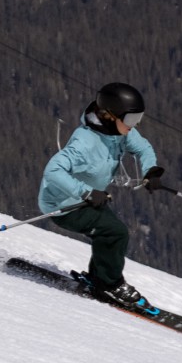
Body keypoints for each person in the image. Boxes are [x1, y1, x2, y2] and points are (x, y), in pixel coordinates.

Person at [39, 82, 164, 310]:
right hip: (63, 204)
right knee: (115, 232)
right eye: (131, 119)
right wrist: (85, 192)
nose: (135, 125)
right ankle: (109, 284)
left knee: (110, 233)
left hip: (88, 199)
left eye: (138, 118)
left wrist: (151, 170)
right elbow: (53, 170)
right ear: (109, 115)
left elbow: (143, 148)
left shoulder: (118, 132)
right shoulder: (85, 142)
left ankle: (100, 278)